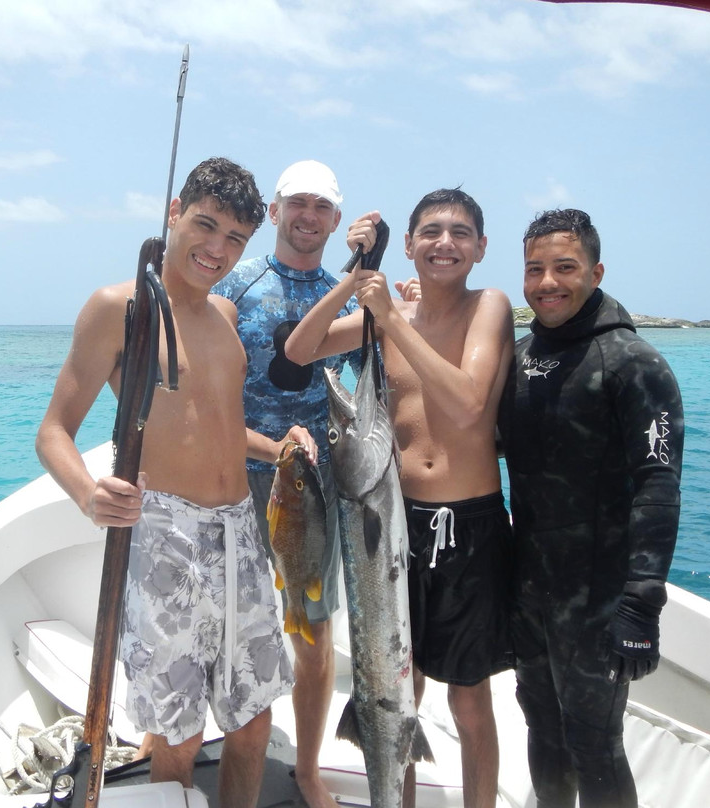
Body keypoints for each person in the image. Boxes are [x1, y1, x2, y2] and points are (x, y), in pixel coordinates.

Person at [35, 157, 310, 807]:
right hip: (165, 535)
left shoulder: (223, 317)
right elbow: (53, 432)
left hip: (242, 527)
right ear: (174, 213)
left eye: (235, 239)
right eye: (205, 226)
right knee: (179, 735)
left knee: (253, 720)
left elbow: (218, 424)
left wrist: (280, 448)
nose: (216, 249)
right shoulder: (119, 307)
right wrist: (89, 494)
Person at [286, 188, 516, 808]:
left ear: (481, 248)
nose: (446, 243)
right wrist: (356, 277)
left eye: (461, 232)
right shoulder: (382, 312)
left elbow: (468, 403)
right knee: (395, 692)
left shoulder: (487, 306)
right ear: (409, 245)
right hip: (392, 520)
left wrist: (389, 322)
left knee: (468, 698)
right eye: (431, 232)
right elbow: (300, 350)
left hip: (465, 524)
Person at [497, 208, 684, 808]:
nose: (547, 282)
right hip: (529, 589)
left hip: (598, 597)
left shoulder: (633, 363)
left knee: (595, 742)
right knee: (541, 727)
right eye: (534, 269)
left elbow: (659, 486)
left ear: (596, 271)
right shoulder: (520, 357)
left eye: (564, 267)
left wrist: (641, 604)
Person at [211, 159, 360, 808]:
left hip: (313, 492)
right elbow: (200, 398)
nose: (307, 216)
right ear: (273, 212)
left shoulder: (346, 293)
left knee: (314, 630)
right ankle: (175, 739)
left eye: (321, 206)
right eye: (295, 203)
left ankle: (307, 767)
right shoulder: (231, 284)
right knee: (216, 624)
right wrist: (269, 448)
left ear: (334, 219)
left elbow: (386, 379)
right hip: (228, 480)